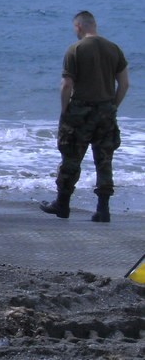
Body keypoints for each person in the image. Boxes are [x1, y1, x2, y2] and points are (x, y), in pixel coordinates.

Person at [40, 11, 129, 223]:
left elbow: (66, 85)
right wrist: (112, 105)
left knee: (71, 158)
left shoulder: (75, 49)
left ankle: (62, 205)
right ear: (94, 25)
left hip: (80, 112)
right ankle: (103, 209)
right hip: (106, 112)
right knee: (104, 160)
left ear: (78, 26)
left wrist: (64, 111)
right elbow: (124, 84)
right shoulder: (114, 48)